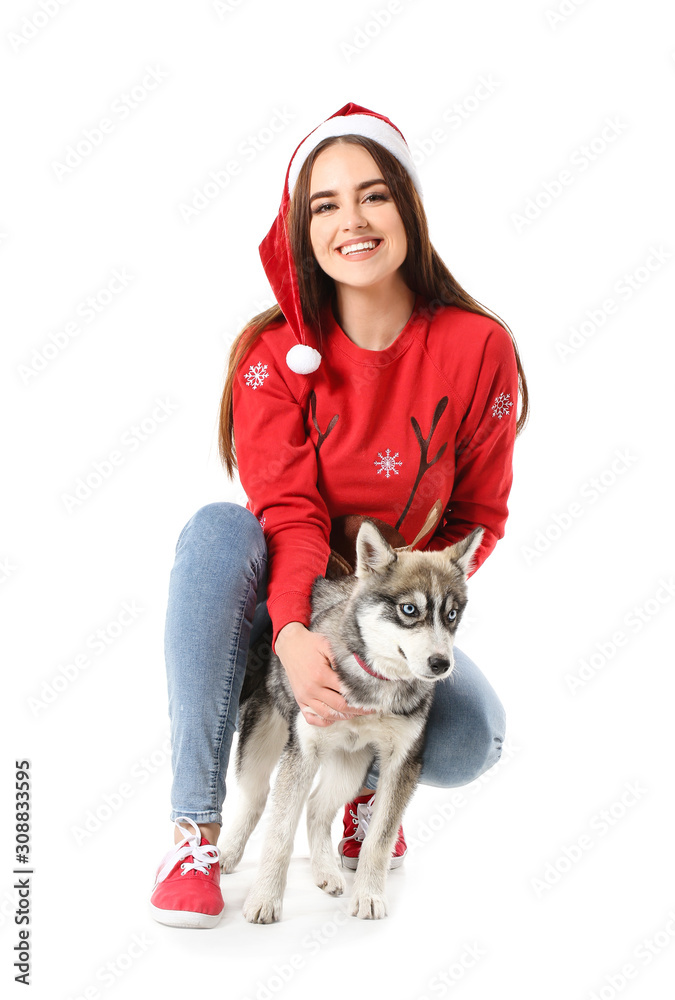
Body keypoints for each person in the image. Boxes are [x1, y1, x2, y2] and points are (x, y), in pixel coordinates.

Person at [149, 102, 529, 928]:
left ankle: (358, 789)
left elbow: (478, 518)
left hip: (381, 618)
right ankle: (195, 828)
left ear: (408, 209)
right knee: (219, 529)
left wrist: (383, 634)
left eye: (373, 196)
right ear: (301, 229)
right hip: (275, 607)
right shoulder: (271, 357)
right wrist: (294, 631)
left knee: (469, 741)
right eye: (324, 205)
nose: (351, 221)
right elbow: (285, 516)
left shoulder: (476, 348)